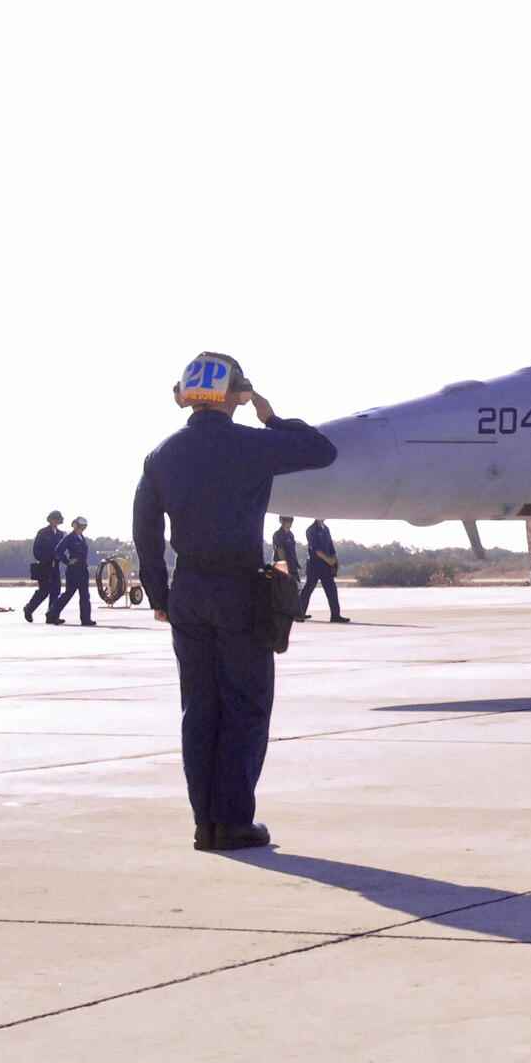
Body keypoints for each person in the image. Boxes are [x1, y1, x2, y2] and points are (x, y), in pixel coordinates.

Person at [132, 351, 336, 852]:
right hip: (240, 589)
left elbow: (145, 532)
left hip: (189, 590)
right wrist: (270, 416)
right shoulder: (253, 444)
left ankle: (206, 823)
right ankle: (235, 822)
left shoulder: (162, 454)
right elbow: (320, 450)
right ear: (237, 394)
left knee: (199, 707)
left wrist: (160, 594)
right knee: (244, 704)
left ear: (185, 395)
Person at [299, 517, 348, 623]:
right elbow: (315, 549)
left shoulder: (326, 529)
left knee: (332, 590)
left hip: (326, 566)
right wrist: (327, 559)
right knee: (308, 589)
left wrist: (335, 559)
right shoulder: (311, 530)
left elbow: (331, 547)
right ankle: (299, 614)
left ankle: (335, 615)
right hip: (315, 565)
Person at [48, 516, 95, 626]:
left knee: (85, 595)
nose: (81, 530)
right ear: (75, 526)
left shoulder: (81, 538)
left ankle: (86, 619)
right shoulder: (69, 538)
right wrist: (67, 561)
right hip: (73, 571)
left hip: (83, 569)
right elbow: (59, 550)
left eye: (83, 528)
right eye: (80, 527)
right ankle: (52, 613)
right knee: (68, 594)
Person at [23, 510, 66, 623]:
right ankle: (29, 608)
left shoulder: (60, 534)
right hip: (45, 566)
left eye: (57, 519)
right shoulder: (42, 532)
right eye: (54, 519)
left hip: (55, 566)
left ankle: (51, 615)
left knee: (55, 592)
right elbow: (36, 549)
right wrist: (43, 560)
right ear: (50, 519)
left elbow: (62, 550)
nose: (56, 521)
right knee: (44, 591)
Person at [272, 516, 302, 591]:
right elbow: (280, 549)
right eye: (288, 521)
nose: (290, 523)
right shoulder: (278, 534)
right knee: (283, 588)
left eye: (291, 521)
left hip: (292, 565)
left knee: (296, 587)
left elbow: (293, 551)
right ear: (282, 522)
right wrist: (284, 564)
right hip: (282, 565)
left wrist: (296, 563)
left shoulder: (291, 535)